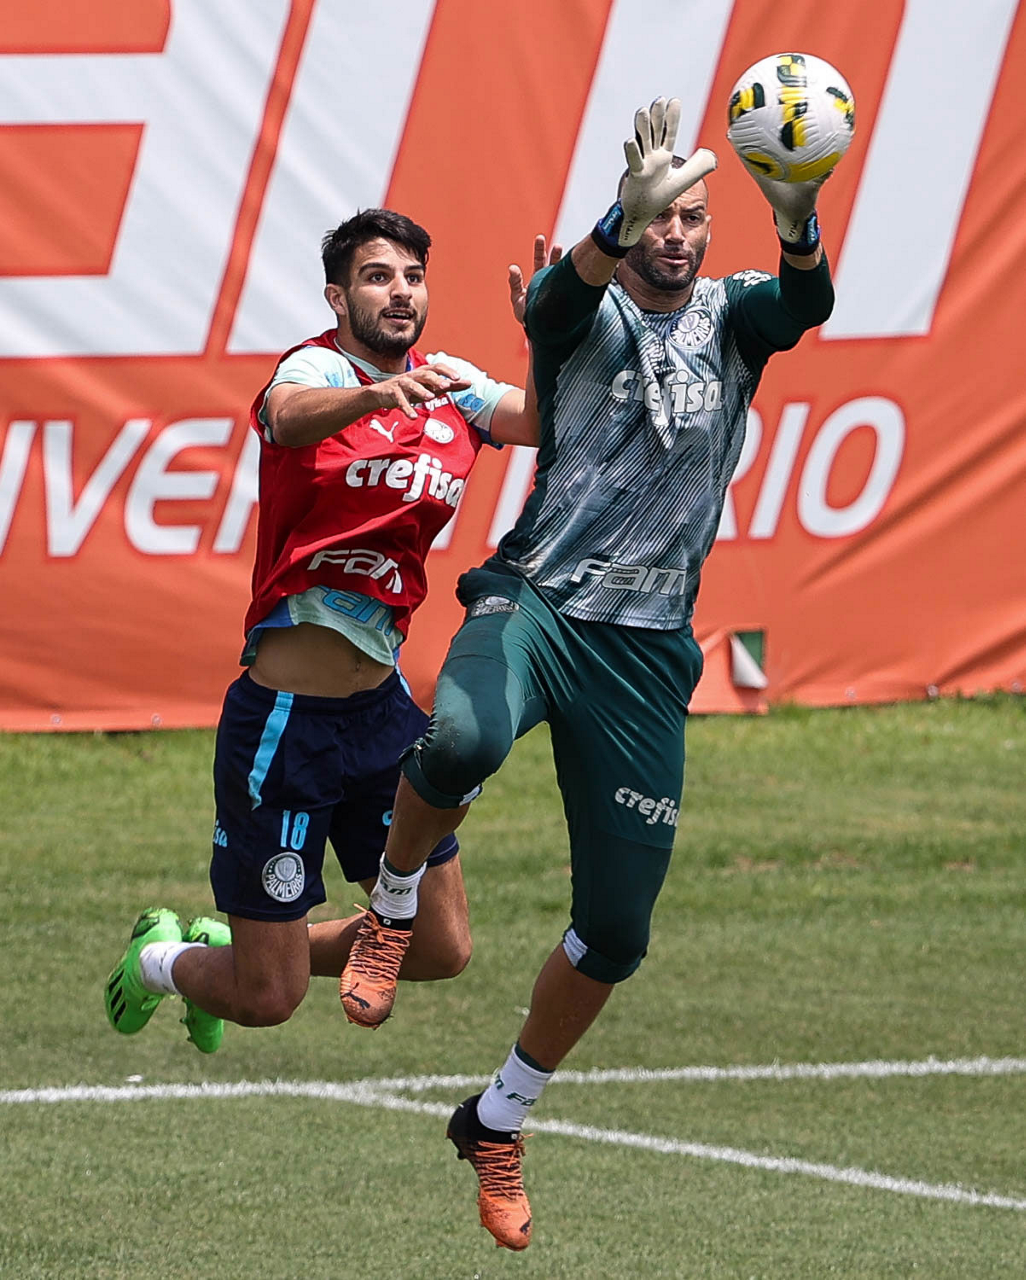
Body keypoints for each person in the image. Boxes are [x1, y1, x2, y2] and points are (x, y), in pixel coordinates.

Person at [338, 98, 836, 1250]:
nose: (678, 234)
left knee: (616, 929)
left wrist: (796, 214)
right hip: (539, 602)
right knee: (462, 738)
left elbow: (803, 303)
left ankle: (499, 1115)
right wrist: (615, 222)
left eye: (694, 217)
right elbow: (556, 305)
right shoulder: (588, 306)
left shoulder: (734, 316)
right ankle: (391, 907)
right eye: (662, 216)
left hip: (647, 646)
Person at [104, 207, 546, 1054]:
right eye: (378, 277)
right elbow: (285, 414)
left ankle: (237, 946)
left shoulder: (453, 385)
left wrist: (549, 340)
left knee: (440, 946)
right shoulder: (317, 368)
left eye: (412, 277)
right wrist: (374, 395)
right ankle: (161, 961)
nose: (400, 292)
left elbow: (548, 427)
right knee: (266, 998)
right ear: (338, 297)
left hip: (381, 717)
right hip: (285, 724)